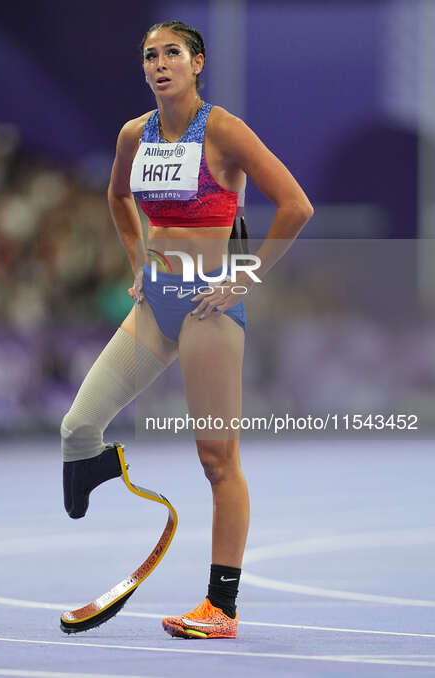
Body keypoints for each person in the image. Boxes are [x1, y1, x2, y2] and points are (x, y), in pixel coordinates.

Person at [61, 20, 313, 639]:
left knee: (217, 461)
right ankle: (101, 464)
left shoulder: (223, 131)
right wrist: (137, 260)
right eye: (149, 55)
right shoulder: (133, 135)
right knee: (77, 428)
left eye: (172, 53)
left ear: (197, 63)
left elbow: (297, 207)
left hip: (208, 310)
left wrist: (243, 279)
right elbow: (119, 197)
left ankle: (220, 607)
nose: (159, 64)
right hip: (156, 304)